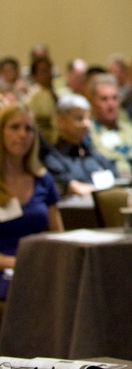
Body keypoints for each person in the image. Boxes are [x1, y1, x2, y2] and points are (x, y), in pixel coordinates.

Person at [0, 104, 64, 298]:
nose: (22, 135)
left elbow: (59, 235)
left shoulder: (43, 180)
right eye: (15, 127)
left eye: (29, 129)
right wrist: (15, 263)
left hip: (39, 264)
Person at [43, 94, 120, 195]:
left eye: (88, 118)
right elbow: (72, 188)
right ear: (60, 121)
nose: (86, 124)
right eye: (79, 118)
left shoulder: (95, 155)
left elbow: (118, 182)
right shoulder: (53, 159)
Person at [86, 73, 132, 182]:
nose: (111, 104)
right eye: (104, 99)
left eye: (114, 98)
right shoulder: (86, 134)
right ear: (93, 102)